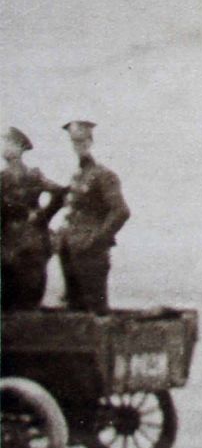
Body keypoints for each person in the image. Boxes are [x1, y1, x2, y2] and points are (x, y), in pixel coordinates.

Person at [56, 120, 129, 313]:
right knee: (74, 308)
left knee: (95, 308)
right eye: (73, 141)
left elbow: (121, 211)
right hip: (71, 250)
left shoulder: (103, 175)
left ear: (90, 141)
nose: (77, 146)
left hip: (91, 254)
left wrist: (97, 240)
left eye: (81, 141)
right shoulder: (77, 176)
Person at [1, 127, 66, 310]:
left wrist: (41, 217)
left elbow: (60, 193)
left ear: (20, 148)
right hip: (12, 246)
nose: (3, 147)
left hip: (26, 248)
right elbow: (60, 194)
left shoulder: (33, 175)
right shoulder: (4, 177)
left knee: (22, 304)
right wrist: (42, 217)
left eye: (8, 143)